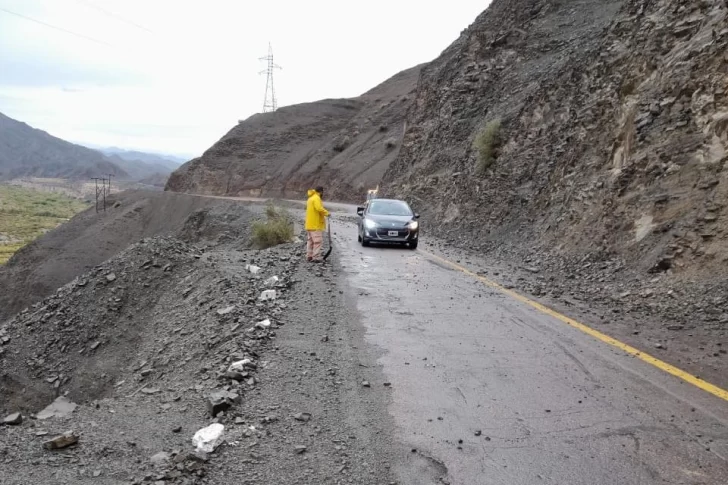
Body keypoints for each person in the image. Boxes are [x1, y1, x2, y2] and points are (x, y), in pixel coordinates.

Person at [305, 186, 329, 262]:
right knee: (317, 241)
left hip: (309, 224)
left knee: (310, 241)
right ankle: (316, 257)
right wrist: (327, 213)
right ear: (321, 191)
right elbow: (319, 208)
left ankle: (309, 256)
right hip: (315, 224)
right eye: (323, 192)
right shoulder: (316, 198)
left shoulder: (310, 198)